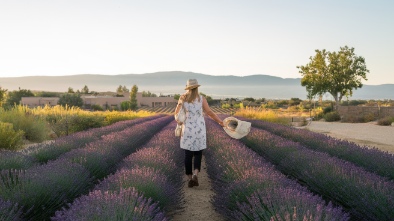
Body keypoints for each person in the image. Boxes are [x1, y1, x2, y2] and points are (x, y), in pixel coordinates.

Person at [174, 79, 224, 188]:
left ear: (188, 88)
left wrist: (180, 118)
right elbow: (209, 112)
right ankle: (195, 174)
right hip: (200, 129)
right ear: (197, 88)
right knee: (198, 153)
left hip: (187, 129)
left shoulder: (182, 98)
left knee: (188, 154)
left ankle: (189, 177)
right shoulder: (201, 99)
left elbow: (176, 114)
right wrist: (220, 121)